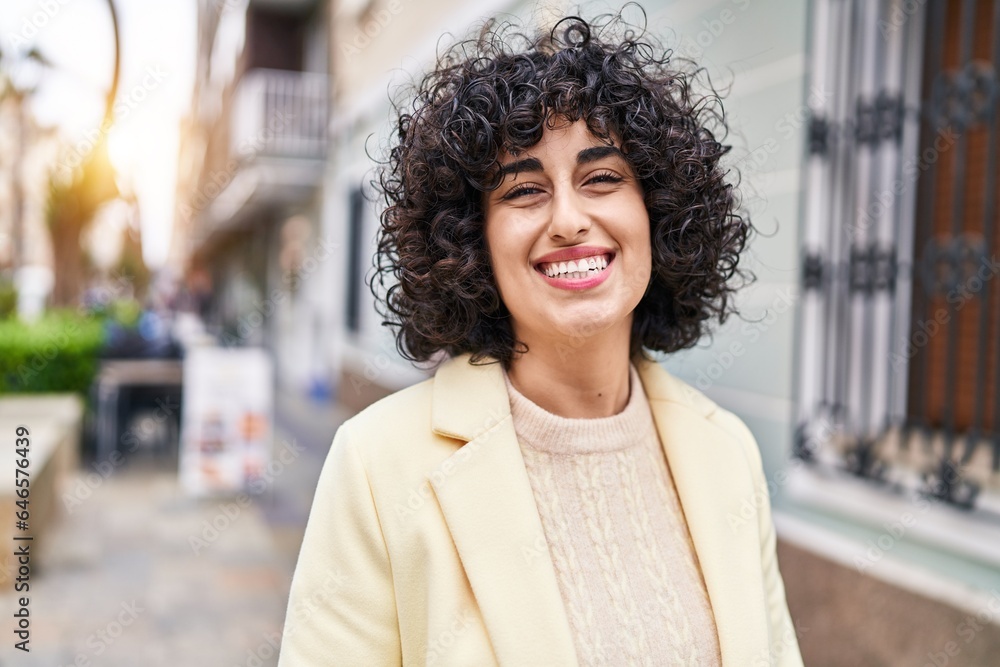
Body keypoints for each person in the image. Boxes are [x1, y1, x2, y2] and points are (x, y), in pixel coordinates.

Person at [277, 11, 804, 667]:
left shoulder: (728, 452)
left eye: (602, 177)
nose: (569, 219)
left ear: (657, 212)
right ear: (472, 240)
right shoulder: (377, 466)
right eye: (525, 189)